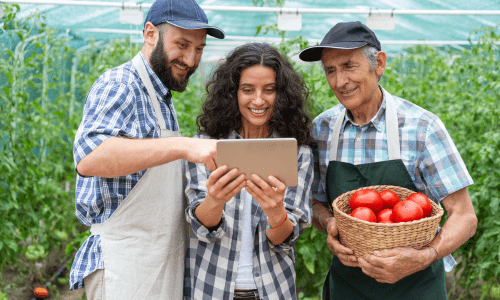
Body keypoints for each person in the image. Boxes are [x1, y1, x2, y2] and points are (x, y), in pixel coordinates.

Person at [298, 21, 478, 299]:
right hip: (349, 287)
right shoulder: (322, 130)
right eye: (330, 70)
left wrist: (425, 256)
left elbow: (465, 216)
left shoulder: (422, 128)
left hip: (416, 287)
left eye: (349, 66)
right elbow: (312, 202)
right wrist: (329, 223)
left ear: (378, 63)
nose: (339, 81)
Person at [69, 0, 225, 299]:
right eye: (182, 44)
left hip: (158, 262)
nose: (191, 60)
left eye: (199, 49)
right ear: (150, 34)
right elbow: (90, 158)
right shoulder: (121, 83)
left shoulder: (160, 97)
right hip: (125, 267)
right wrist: (183, 145)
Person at [183, 43, 314, 300]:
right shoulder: (207, 146)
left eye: (269, 90)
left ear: (282, 94)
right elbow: (201, 227)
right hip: (211, 286)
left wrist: (276, 213)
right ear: (233, 93)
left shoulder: (297, 153)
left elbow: (284, 239)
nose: (258, 100)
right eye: (247, 90)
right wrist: (214, 201)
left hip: (272, 289)